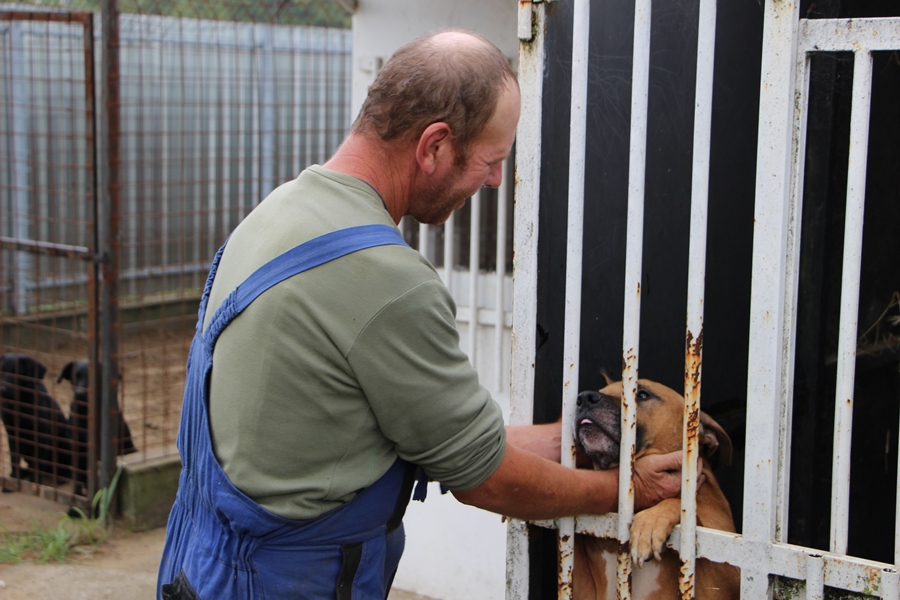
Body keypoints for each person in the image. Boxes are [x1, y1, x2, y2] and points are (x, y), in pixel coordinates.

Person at [157, 29, 687, 600]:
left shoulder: (278, 213)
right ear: (434, 145)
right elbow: (485, 479)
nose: (495, 180)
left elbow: (430, 432)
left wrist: (569, 438)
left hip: (199, 567)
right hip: (284, 583)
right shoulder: (387, 281)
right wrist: (626, 489)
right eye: (491, 160)